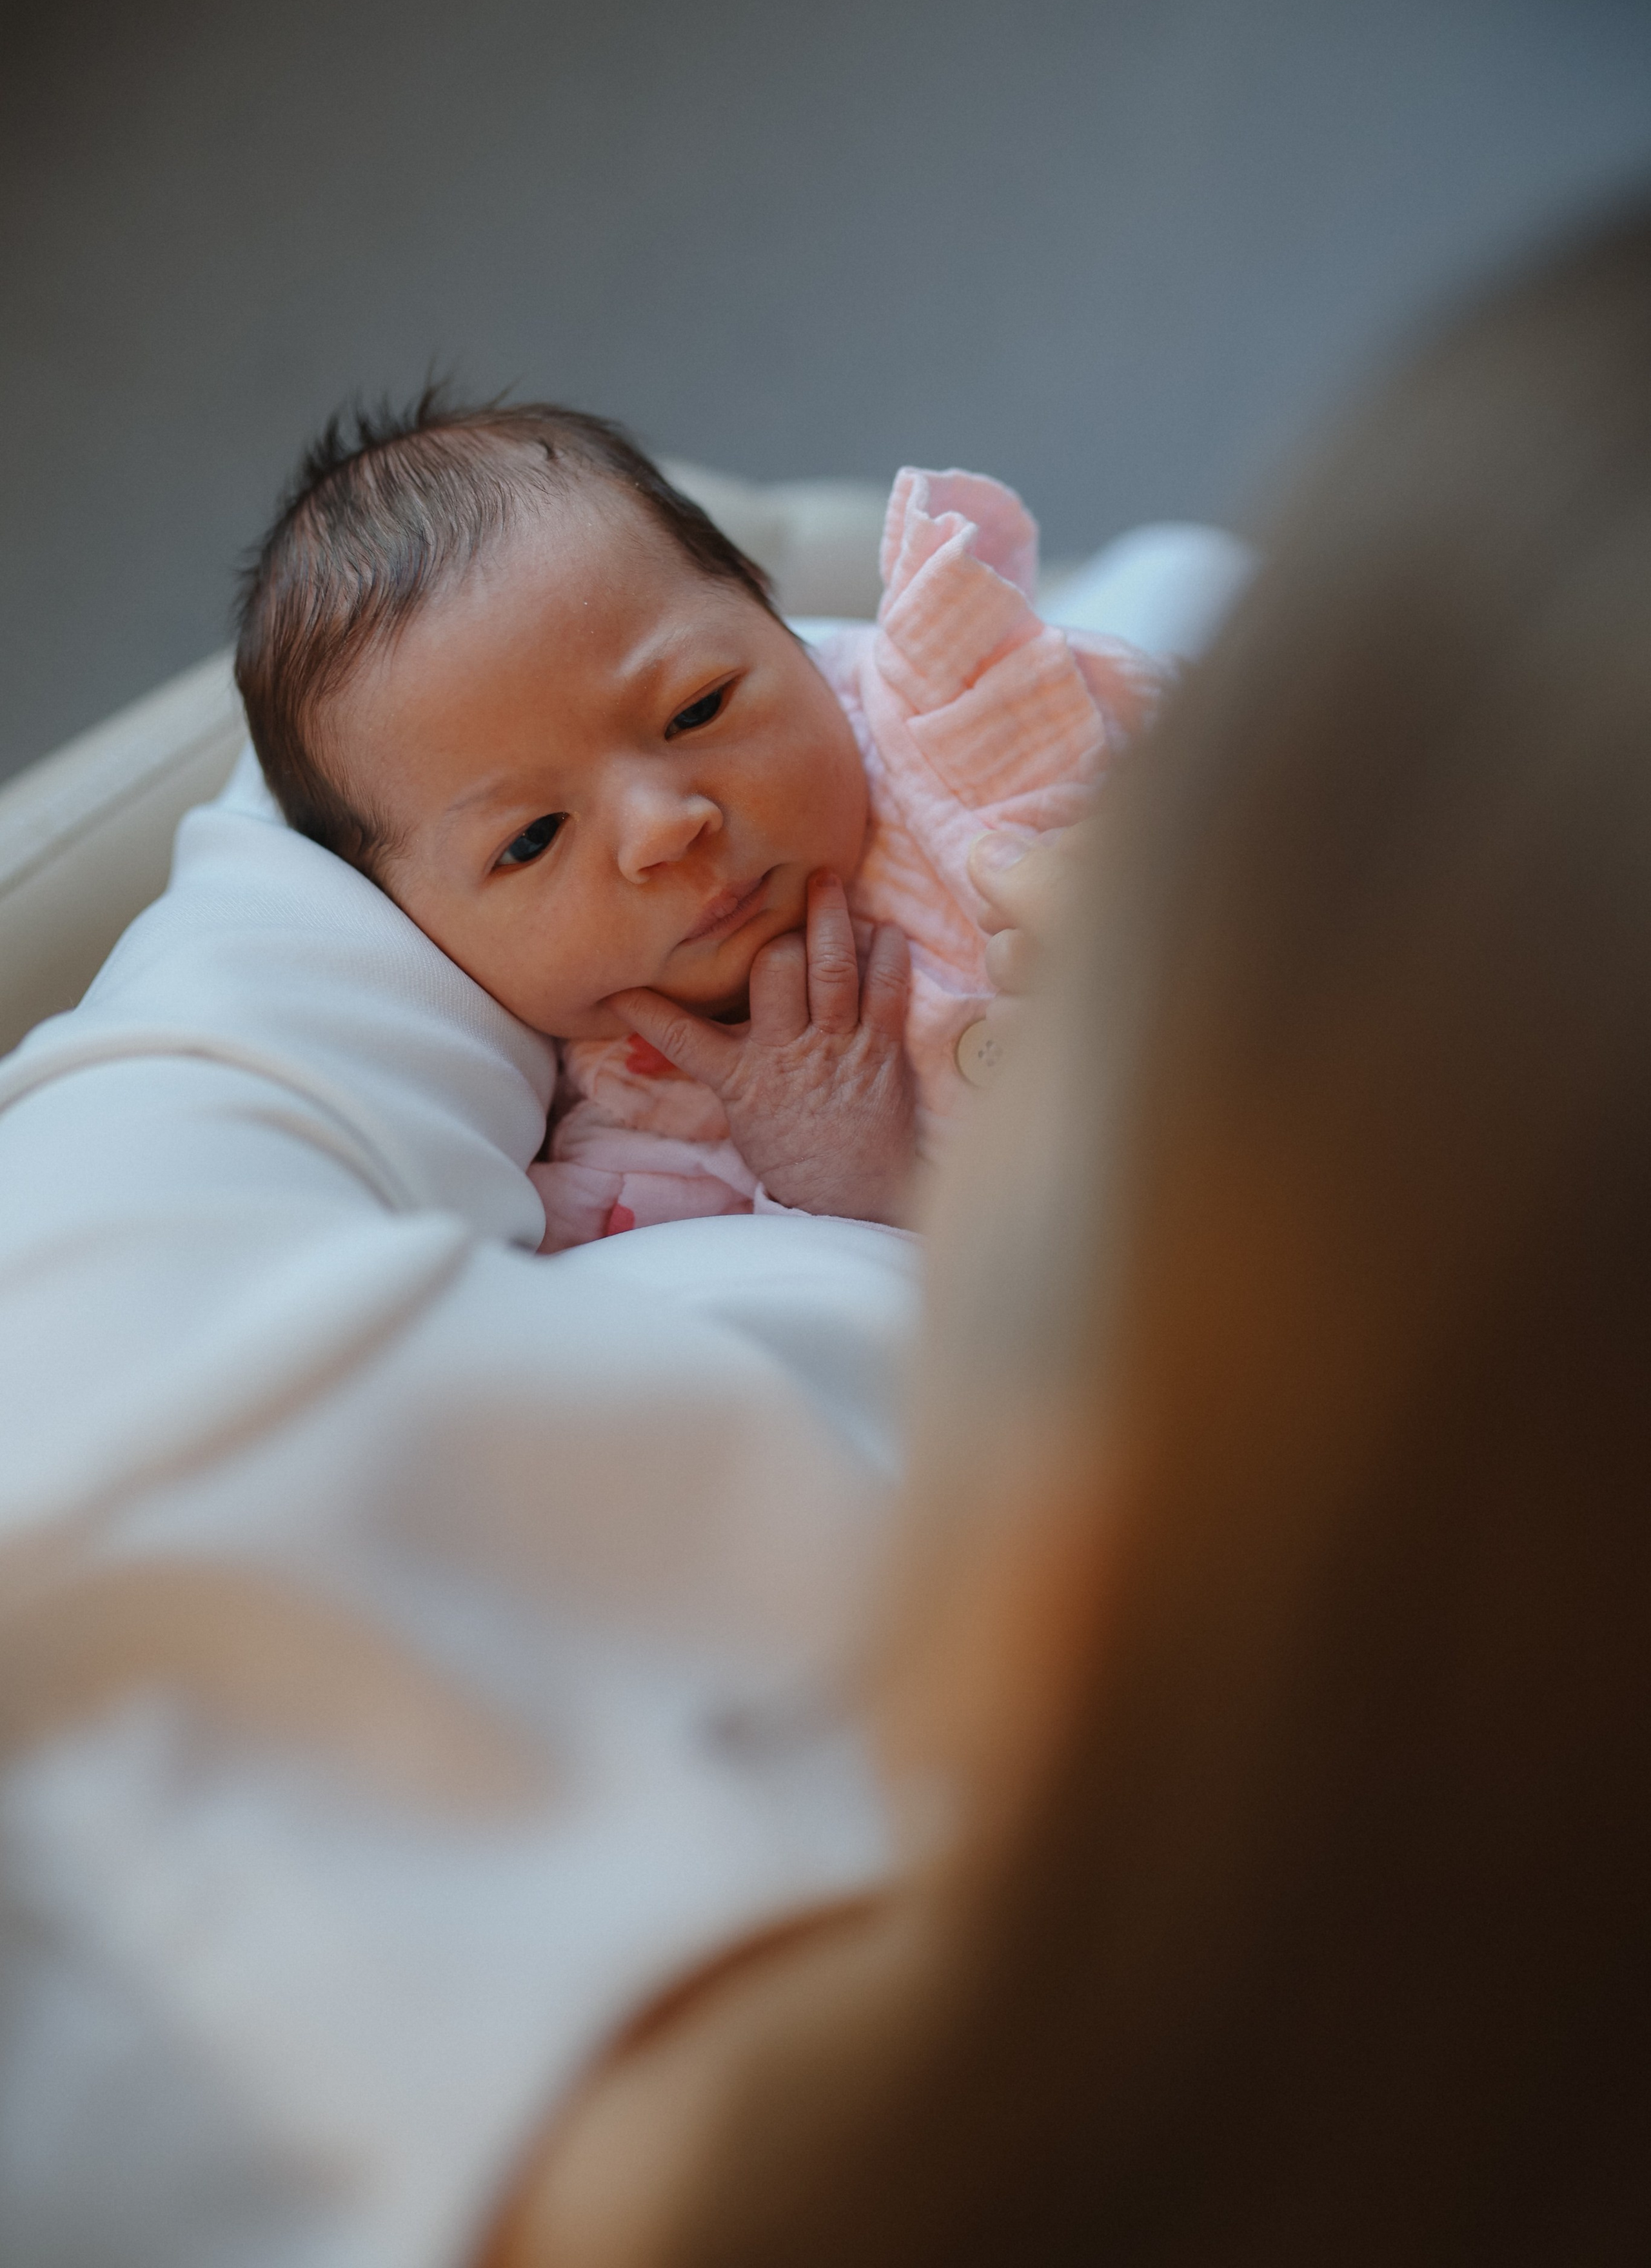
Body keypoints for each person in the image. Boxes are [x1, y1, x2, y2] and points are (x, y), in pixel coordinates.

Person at [481, 201, 1651, 2264]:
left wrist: (867, 1196)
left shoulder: (642, 2116)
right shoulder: (616, 1104)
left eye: (1109, 1000)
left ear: (1070, 1577)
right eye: (530, 836)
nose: (666, 829)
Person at [233, 404, 1160, 1243]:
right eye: (532, 839)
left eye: (697, 709)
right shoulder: (637, 1149)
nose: (663, 830)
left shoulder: (959, 712)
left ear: (767, 607)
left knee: (1177, 577)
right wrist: (850, 1190)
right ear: (411, 925)